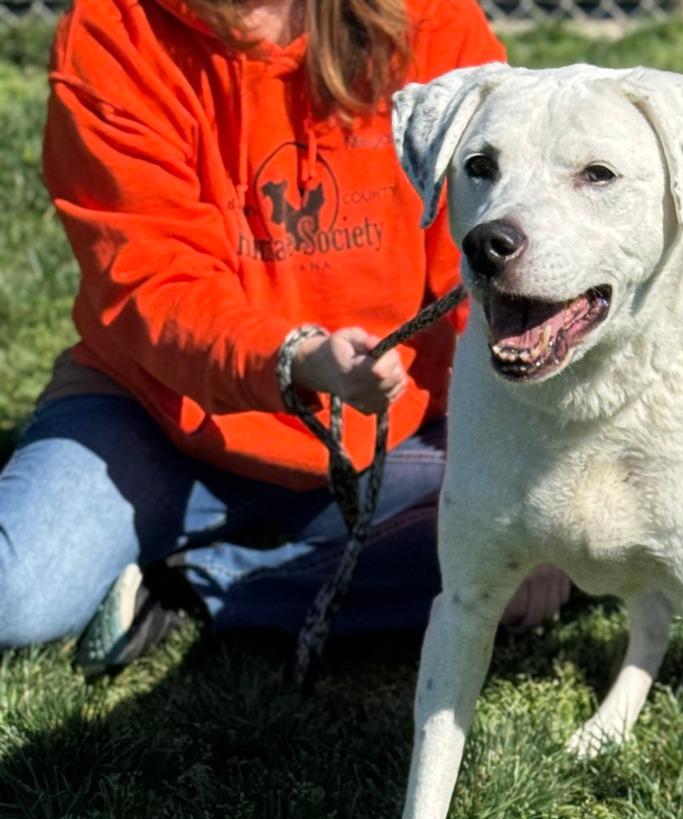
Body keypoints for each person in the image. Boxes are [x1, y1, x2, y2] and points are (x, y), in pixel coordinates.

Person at [0, 0, 569, 672]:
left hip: (373, 430)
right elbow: (151, 282)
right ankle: (270, 563)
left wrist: (529, 471)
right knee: (17, 596)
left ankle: (200, 585)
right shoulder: (115, 29)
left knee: (572, 527)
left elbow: (479, 265)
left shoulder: (430, 20)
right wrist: (292, 356)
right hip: (159, 416)